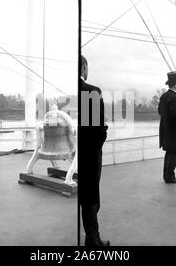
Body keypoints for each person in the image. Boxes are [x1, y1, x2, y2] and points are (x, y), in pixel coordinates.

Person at [79, 55, 110, 247]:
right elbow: (95, 128)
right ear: (84, 67)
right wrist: (103, 131)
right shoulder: (90, 91)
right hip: (89, 153)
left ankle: (91, 236)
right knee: (91, 197)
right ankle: (93, 239)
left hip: (77, 152)